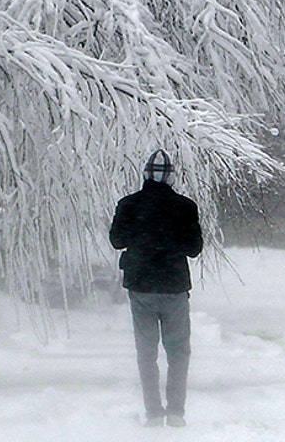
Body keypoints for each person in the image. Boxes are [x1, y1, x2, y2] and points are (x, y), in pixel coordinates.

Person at [109, 149, 203, 428]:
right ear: (171, 177)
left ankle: (153, 413)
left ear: (146, 175)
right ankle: (176, 412)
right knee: (178, 352)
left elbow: (117, 240)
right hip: (174, 287)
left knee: (146, 352)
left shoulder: (128, 204)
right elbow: (194, 249)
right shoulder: (185, 207)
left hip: (141, 287)